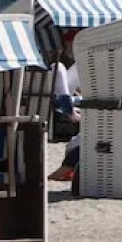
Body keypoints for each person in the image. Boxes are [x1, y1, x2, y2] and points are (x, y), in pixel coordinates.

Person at [48, 32, 82, 182]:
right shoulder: (59, 64)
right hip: (58, 102)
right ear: (68, 44)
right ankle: (68, 108)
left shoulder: (69, 63)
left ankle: (68, 167)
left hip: (65, 99)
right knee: (60, 67)